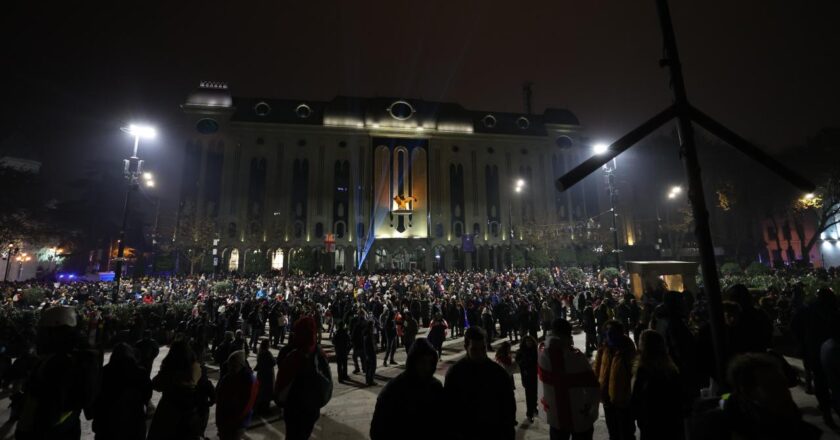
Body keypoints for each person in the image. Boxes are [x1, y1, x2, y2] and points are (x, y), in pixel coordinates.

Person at [16, 306, 100, 440]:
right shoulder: (76, 357)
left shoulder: (58, 363)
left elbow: (49, 405)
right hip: (68, 426)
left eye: (45, 331)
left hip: (47, 431)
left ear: (56, 332)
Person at [691, 353, 821, 440]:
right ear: (747, 391)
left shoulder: (791, 421)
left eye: (783, 384)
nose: (784, 392)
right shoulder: (718, 428)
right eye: (771, 386)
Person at [443, 326, 516, 440]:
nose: (480, 354)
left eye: (483, 349)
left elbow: (508, 408)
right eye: (474, 350)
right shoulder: (455, 373)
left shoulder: (498, 373)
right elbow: (450, 410)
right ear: (466, 347)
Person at [370, 338, 445, 440]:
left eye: (430, 362)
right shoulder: (394, 389)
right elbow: (377, 430)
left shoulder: (435, 386)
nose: (427, 367)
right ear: (413, 362)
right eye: (422, 362)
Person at [539, 318, 600, 440]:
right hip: (578, 412)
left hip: (555, 413)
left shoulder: (542, 354)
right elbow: (592, 385)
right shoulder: (577, 358)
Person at [275, 316, 333, 440]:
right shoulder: (319, 353)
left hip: (294, 408)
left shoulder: (292, 355)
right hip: (312, 408)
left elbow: (282, 384)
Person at [630, 330, 683, 440]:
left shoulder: (643, 371)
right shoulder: (670, 369)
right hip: (671, 423)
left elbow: (636, 399)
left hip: (650, 424)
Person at [92, 343, 152, 440]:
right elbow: (147, 395)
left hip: (107, 424)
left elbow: (96, 397)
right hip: (133, 423)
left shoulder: (104, 372)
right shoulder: (140, 372)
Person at [147, 339, 205, 440]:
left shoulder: (170, 369)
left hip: (169, 408)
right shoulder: (195, 367)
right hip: (190, 408)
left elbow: (156, 384)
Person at [594, 320, 637, 440]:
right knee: (613, 432)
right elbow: (597, 370)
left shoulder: (628, 350)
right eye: (607, 332)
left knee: (626, 433)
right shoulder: (604, 348)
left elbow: (634, 376)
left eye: (612, 332)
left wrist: (628, 396)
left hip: (623, 401)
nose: (609, 335)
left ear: (620, 333)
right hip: (607, 399)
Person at [216, 351, 259, 440]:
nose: (230, 368)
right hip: (224, 422)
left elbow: (247, 404)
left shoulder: (250, 380)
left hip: (238, 423)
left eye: (233, 366)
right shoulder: (227, 378)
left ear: (241, 365)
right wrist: (219, 422)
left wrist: (233, 422)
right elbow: (220, 401)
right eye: (229, 365)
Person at [516, 335, 539, 423]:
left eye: (530, 341)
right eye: (527, 342)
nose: (529, 343)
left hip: (535, 375)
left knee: (535, 393)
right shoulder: (521, 352)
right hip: (527, 376)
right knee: (529, 395)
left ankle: (534, 407)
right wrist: (525, 364)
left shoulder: (535, 351)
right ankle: (529, 413)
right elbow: (519, 363)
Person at [255, 339, 275, 414]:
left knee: (261, 390)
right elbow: (273, 362)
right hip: (267, 374)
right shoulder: (267, 353)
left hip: (261, 374)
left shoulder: (259, 352)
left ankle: (259, 406)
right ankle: (265, 408)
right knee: (267, 391)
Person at [363, 319, 378, 386]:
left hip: (370, 352)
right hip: (370, 353)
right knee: (372, 367)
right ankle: (370, 380)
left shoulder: (368, 333)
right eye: (373, 325)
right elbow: (369, 344)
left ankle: (368, 380)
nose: (373, 326)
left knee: (369, 367)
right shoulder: (368, 335)